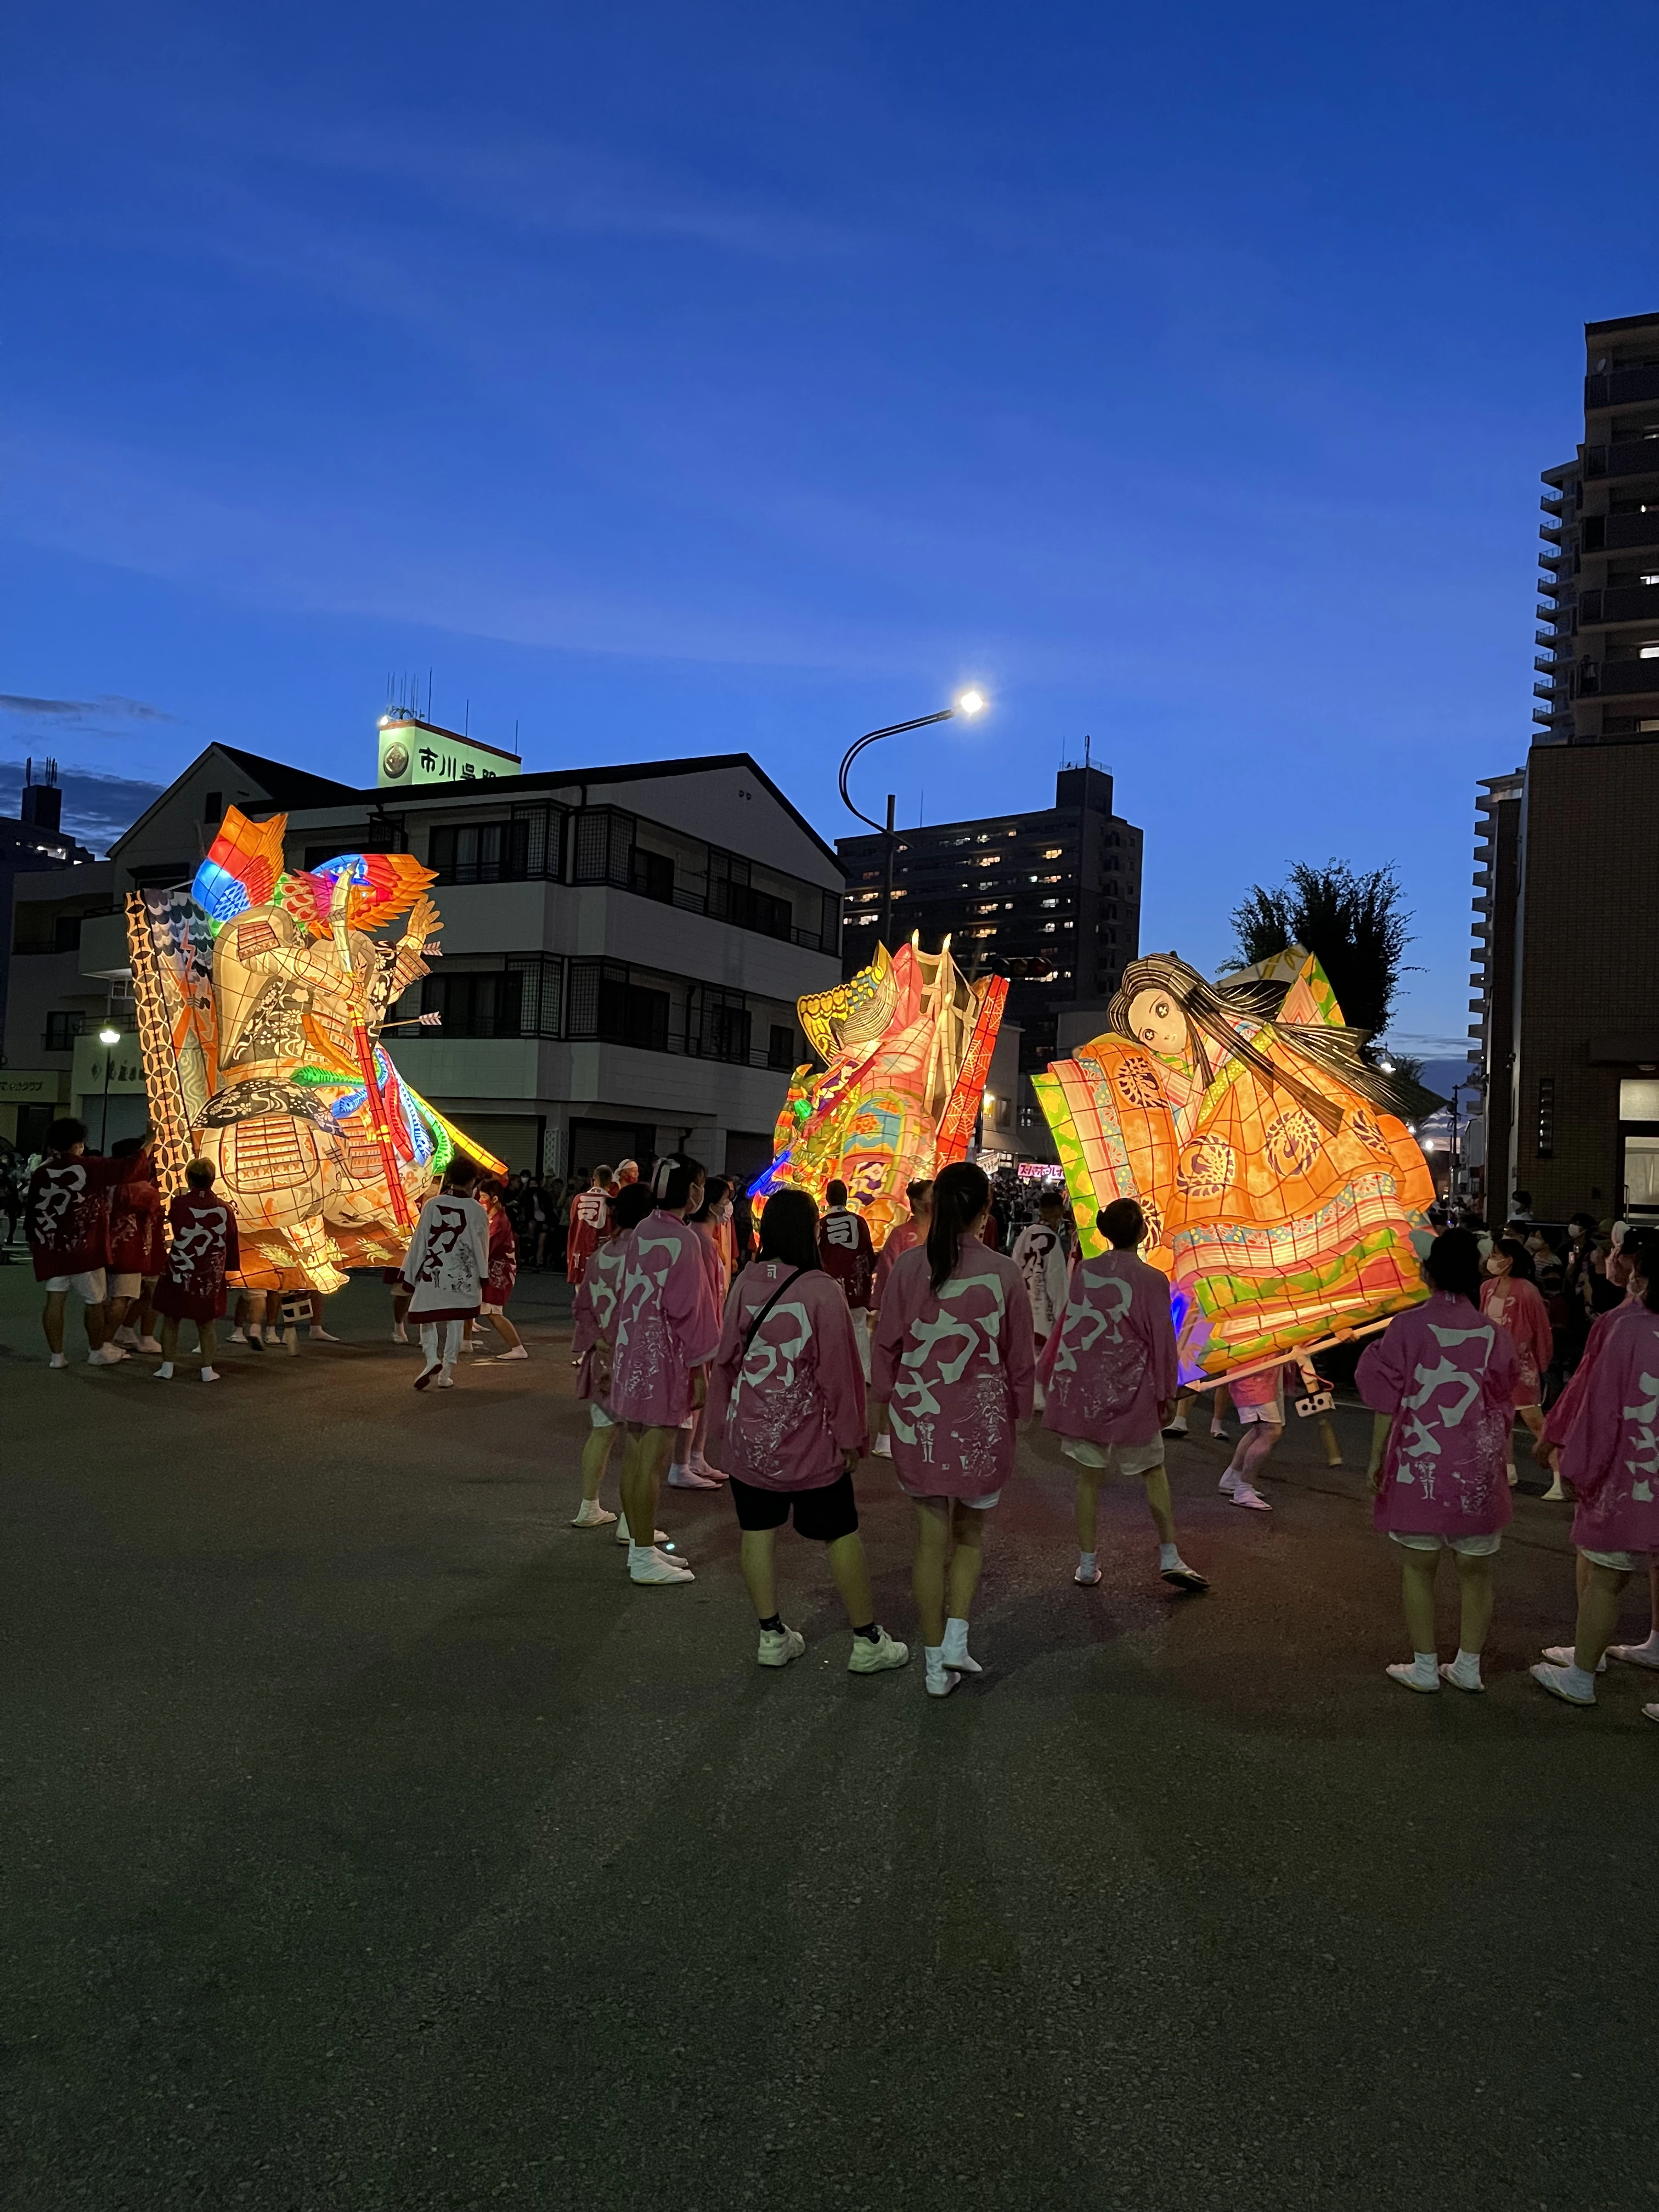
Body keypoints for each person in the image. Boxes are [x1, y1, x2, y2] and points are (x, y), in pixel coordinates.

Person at [704, 1187, 908, 1675]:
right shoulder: (821, 1289)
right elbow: (839, 1374)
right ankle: (866, 1640)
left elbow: (726, 1362)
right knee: (839, 1534)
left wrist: (718, 1429)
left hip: (752, 1438)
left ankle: (771, 1634)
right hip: (811, 1441)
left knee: (757, 1532)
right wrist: (851, 1437)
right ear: (811, 1230)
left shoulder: (746, 1283)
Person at [871, 1159, 1036, 1697]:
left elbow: (886, 1344)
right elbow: (1019, 1358)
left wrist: (880, 1404)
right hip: (982, 1422)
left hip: (918, 1420)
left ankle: (935, 1662)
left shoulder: (909, 1267)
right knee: (969, 1537)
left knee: (928, 1542)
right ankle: (958, 1638)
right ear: (987, 1213)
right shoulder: (1005, 1273)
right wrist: (1021, 1409)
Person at [1357, 1228, 1518, 1692]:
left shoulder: (1406, 1327)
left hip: (1417, 1461)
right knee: (1475, 1569)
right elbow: (1505, 1400)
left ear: (1426, 1272)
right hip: (1477, 1467)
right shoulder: (1493, 1334)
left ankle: (1425, 1667)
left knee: (1418, 1566)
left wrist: (1376, 1461)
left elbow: (1386, 1400)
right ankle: (1469, 1666)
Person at [1040, 1195, 1207, 1594]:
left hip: (1087, 1389)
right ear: (1143, 1231)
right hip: (1133, 1390)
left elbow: (1071, 1325)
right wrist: (1168, 1393)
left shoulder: (1086, 1271)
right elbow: (1162, 1341)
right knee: (1153, 1471)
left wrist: (1052, 1372)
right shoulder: (1152, 1280)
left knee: (1088, 1479)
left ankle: (1087, 1564)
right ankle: (1169, 1554)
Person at [1531, 1241, 1659, 1718]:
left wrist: (1579, 1466)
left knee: (1605, 1574)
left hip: (1630, 1475)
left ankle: (1582, 1675)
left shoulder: (1626, 1328)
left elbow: (1598, 1407)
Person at [610, 1155, 722, 1585]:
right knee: (652, 1461)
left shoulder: (644, 1229)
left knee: (636, 1453)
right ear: (689, 1190)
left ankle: (638, 1537)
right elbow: (691, 1310)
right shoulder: (686, 1240)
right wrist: (699, 1369)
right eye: (699, 1184)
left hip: (633, 1350)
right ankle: (641, 1556)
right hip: (664, 1359)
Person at [569, 1182, 669, 1542]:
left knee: (602, 1431)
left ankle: (588, 1506)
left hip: (604, 1359)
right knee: (640, 1443)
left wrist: (597, 1338)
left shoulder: (602, 1254)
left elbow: (582, 1307)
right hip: (638, 1359)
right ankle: (632, 1523)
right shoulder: (647, 1254)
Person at [25, 1114, 144, 1367]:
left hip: (52, 1247)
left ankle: (57, 1356)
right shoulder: (88, 1166)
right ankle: (97, 1350)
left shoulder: (42, 1171)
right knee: (95, 1302)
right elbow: (127, 1167)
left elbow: (33, 1211)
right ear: (78, 1144)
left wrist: (34, 1242)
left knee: (55, 1297)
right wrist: (152, 1141)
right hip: (84, 1248)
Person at [402, 1161, 490, 1390]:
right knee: (456, 1319)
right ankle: (446, 1373)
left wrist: (409, 1272)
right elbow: (482, 1246)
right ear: (472, 1181)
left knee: (427, 1315)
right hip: (463, 1273)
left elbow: (419, 1240)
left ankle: (432, 1358)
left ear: (449, 1178)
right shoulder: (477, 1209)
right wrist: (483, 1275)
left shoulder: (433, 1204)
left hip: (434, 1270)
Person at [151, 1159, 240, 1383]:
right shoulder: (225, 1208)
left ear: (189, 1179)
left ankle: (167, 1366)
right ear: (213, 1179)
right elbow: (231, 1240)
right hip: (210, 1272)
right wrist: (230, 1269)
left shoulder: (179, 1203)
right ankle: (207, 1369)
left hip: (181, 1267)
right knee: (206, 1321)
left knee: (171, 1319)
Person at [1480, 1239, 1553, 1485]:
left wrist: (1543, 1364)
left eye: (1495, 1254)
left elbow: (1542, 1330)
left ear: (1509, 1259)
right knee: (1500, 1421)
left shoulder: (1527, 1291)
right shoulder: (1487, 1287)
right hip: (1493, 1365)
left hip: (1521, 1366)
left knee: (1533, 1419)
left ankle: (1560, 1474)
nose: (1491, 1259)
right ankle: (1507, 1470)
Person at [869, 1179, 932, 1456]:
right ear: (918, 1202)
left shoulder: (943, 1233)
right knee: (894, 1374)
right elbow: (888, 1274)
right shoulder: (901, 1235)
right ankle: (884, 1434)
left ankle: (919, 1432)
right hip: (903, 1316)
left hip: (933, 1318)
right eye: (932, 1197)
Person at [105, 1135, 164, 1352]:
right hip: (130, 1249)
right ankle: (106, 1343)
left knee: (140, 1293)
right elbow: (160, 1203)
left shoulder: (110, 1180)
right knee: (127, 1295)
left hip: (115, 1246)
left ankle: (125, 1332)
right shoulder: (134, 1187)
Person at [1216, 1363, 1291, 1510]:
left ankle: (1232, 1480)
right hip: (1252, 1378)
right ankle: (1243, 1491)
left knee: (1260, 1430)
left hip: (1261, 1378)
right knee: (1270, 1431)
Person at [1009, 1189, 1073, 1349]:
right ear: (1057, 1212)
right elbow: (1057, 1286)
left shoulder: (1025, 1235)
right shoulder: (1051, 1240)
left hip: (1020, 1312)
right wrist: (1063, 1322)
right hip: (1043, 1319)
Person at [477, 1176, 528, 1360]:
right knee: (472, 1304)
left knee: (493, 1311)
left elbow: (487, 1249)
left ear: (494, 1199)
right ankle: (464, 1342)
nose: (480, 1200)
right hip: (493, 1269)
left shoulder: (499, 1222)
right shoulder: (493, 1217)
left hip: (499, 1272)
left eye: (483, 1197)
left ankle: (518, 1348)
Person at [817, 1179, 876, 1311]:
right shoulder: (859, 1222)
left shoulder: (820, 1225)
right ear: (846, 1197)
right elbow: (869, 1257)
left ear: (827, 1198)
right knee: (858, 1330)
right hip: (857, 1294)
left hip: (829, 1295)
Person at [565, 1165, 612, 1286]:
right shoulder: (612, 1202)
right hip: (603, 1251)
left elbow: (573, 1221)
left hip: (579, 1250)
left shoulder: (578, 1199)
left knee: (581, 1292)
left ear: (593, 1181)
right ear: (610, 1182)